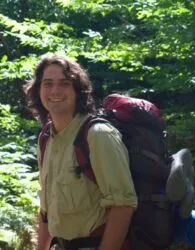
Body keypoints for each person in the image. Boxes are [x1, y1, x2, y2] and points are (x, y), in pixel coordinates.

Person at [24, 53, 138, 250]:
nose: (55, 90)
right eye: (48, 83)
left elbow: (123, 206)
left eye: (65, 83)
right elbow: (46, 211)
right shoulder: (46, 138)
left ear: (78, 90)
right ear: (38, 90)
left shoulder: (97, 135)